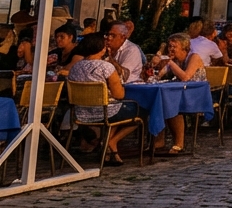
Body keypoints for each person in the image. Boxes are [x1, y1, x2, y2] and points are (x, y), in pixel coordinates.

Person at [66, 33, 140, 165]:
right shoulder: (106, 67)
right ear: (102, 48)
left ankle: (107, 147)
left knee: (118, 110)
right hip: (104, 111)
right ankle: (111, 143)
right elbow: (119, 95)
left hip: (81, 112)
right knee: (139, 111)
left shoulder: (75, 67)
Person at [151, 32, 206, 154]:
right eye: (170, 46)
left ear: (183, 47)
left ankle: (179, 143)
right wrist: (154, 70)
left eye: (174, 46)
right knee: (160, 101)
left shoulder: (194, 57)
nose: (171, 49)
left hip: (195, 94)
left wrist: (169, 62)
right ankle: (160, 140)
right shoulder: (174, 59)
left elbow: (186, 77)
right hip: (180, 92)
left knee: (172, 103)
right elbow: (159, 76)